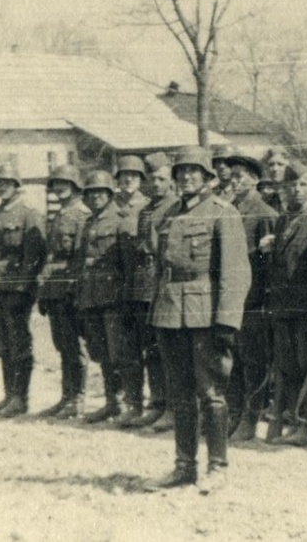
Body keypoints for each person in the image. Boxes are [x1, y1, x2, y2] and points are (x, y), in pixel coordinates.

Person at [150, 146, 251, 492]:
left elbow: (236, 273)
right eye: (181, 172)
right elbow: (160, 271)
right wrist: (157, 314)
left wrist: (226, 322)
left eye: (194, 171)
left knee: (211, 394)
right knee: (179, 394)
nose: (186, 177)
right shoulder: (168, 215)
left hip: (206, 316)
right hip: (169, 314)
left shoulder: (223, 213)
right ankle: (184, 466)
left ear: (208, 177)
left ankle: (217, 467)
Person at [264, 164, 307, 446]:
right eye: (290, 186)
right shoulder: (282, 221)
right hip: (283, 307)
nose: (296, 190)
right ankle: (295, 420)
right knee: (289, 366)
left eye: (302, 185)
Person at [0, 163, 46, 418]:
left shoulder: (29, 214)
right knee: (2, 343)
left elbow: (33, 257)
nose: (1, 187)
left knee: (18, 341)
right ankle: (8, 396)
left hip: (16, 287)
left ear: (17, 185)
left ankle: (20, 398)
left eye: (6, 182)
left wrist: (23, 289)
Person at [225, 151, 280, 442]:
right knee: (230, 361)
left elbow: (269, 267)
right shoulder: (225, 209)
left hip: (253, 301)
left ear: (255, 180)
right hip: (228, 300)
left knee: (253, 361)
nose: (234, 181)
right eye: (231, 176)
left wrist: (264, 304)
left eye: (240, 177)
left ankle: (251, 417)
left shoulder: (265, 215)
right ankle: (234, 415)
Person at [75, 171, 138, 425]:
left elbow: (128, 264)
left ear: (110, 194)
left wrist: (125, 297)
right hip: (91, 295)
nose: (96, 196)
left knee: (120, 352)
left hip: (113, 297)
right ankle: (112, 402)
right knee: (100, 350)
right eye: (91, 192)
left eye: (101, 192)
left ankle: (130, 404)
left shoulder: (121, 219)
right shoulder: (89, 222)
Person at [128, 152, 178, 431]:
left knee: (167, 348)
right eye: (152, 179)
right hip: (145, 286)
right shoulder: (147, 208)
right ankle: (158, 403)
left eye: (162, 178)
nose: (156, 183)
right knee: (151, 349)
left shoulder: (176, 206)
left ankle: (173, 406)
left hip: (165, 284)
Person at [36, 165, 90, 419]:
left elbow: (80, 256)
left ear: (75, 185)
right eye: (56, 184)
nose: (59, 188)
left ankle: (78, 399)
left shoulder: (82, 214)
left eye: (64, 183)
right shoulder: (59, 214)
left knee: (74, 346)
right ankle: (66, 397)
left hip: (69, 286)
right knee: (62, 345)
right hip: (54, 287)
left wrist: (74, 288)